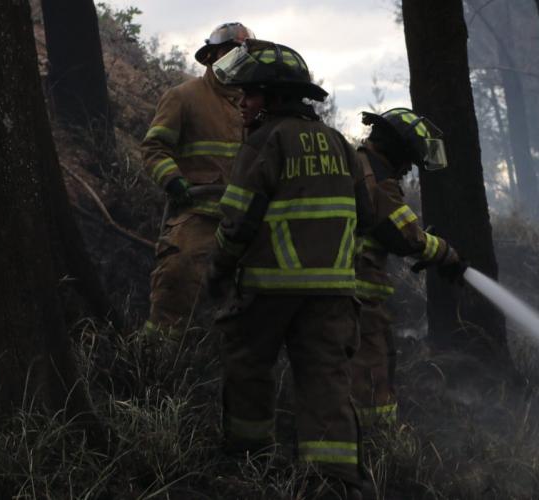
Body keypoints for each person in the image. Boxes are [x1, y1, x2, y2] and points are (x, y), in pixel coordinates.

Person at [206, 39, 372, 498]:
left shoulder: (266, 140)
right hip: (334, 292)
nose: (242, 103)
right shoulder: (340, 143)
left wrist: (217, 270)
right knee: (326, 382)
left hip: (269, 287)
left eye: (251, 94)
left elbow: (237, 218)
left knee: (248, 367)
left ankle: (248, 462)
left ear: (274, 98)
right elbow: (367, 213)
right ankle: (333, 482)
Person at [140, 22, 255, 339]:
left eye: (244, 53)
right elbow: (154, 147)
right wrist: (173, 180)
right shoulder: (184, 97)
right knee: (177, 280)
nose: (237, 59)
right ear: (211, 56)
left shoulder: (257, 105)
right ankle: (155, 362)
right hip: (198, 216)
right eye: (229, 51)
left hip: (247, 223)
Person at [352, 108, 463, 427]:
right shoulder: (377, 177)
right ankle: (380, 443)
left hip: (343, 292)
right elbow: (405, 236)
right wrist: (446, 254)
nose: (405, 172)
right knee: (373, 373)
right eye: (408, 163)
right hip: (357, 296)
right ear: (398, 152)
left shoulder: (357, 164)